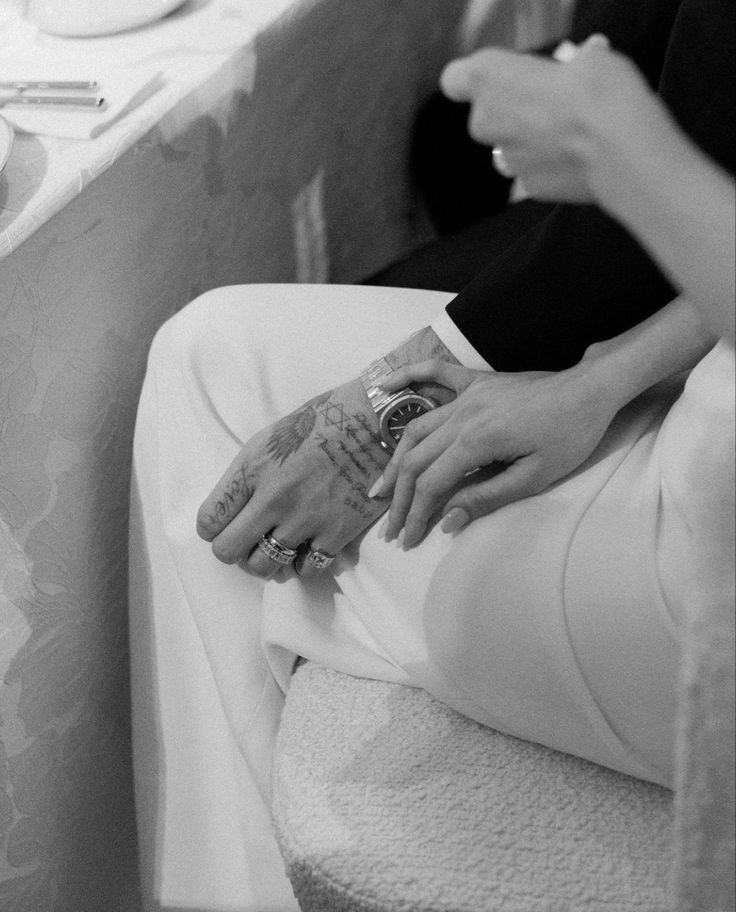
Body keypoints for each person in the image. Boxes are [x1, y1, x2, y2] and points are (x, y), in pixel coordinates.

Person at [129, 1, 734, 909]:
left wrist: (624, 156)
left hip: (707, 576)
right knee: (209, 350)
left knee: (227, 424)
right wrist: (604, 378)